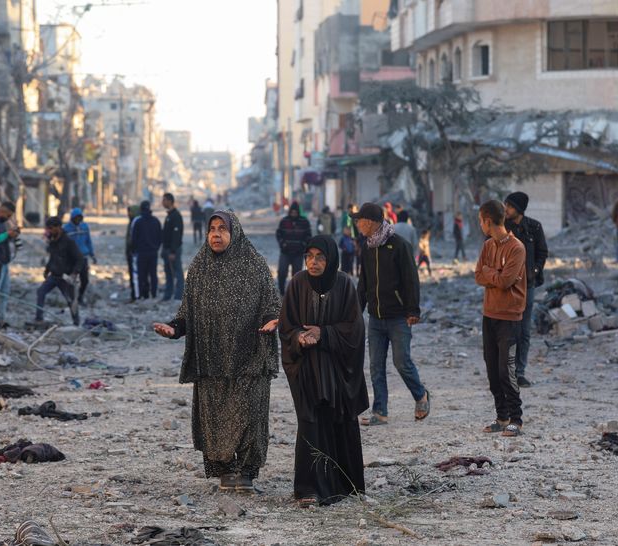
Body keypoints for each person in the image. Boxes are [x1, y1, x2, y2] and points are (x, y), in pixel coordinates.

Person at [153, 211, 280, 492]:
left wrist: (274, 322)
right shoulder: (199, 267)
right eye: (212, 228)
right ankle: (225, 472)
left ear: (235, 233)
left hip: (250, 356)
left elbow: (272, 306)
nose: (216, 234)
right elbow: (187, 313)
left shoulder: (255, 265)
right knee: (215, 418)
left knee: (249, 415)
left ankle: (246, 472)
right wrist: (174, 329)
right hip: (211, 358)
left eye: (223, 228)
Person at [279, 235, 368, 507]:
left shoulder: (344, 284)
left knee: (340, 422)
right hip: (307, 369)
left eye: (320, 257)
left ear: (330, 260)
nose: (313, 262)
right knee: (310, 424)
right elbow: (286, 327)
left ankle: (345, 485)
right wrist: (299, 339)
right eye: (309, 257)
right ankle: (308, 490)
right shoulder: (296, 284)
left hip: (337, 371)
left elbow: (355, 328)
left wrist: (324, 333)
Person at [352, 203, 429, 426]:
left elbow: (411, 280)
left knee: (401, 361)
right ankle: (380, 412)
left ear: (372, 222)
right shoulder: (367, 247)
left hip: (398, 317)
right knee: (376, 366)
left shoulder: (399, 246)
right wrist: (357, 310)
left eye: (360, 220)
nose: (357, 224)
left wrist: (413, 310)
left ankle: (421, 396)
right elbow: (363, 282)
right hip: (375, 318)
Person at [475, 200, 526, 437]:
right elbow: (478, 275)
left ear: (487, 220)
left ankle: (517, 418)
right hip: (489, 314)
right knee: (492, 370)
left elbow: (506, 282)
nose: (480, 224)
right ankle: (502, 417)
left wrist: (490, 274)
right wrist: (493, 275)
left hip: (510, 316)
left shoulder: (517, 248)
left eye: (480, 220)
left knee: (507, 370)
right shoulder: (487, 246)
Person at [504, 192, 548, 388]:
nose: (506, 209)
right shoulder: (502, 228)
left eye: (510, 206)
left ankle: (519, 372)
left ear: (519, 209)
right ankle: (505, 371)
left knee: (523, 331)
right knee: (505, 330)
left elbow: (542, 252)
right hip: (505, 286)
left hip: (527, 286)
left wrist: (535, 270)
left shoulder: (534, 227)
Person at [35, 216, 85, 326]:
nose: (49, 231)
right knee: (40, 292)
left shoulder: (69, 242)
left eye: (51, 228)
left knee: (71, 300)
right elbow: (52, 257)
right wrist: (47, 270)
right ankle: (38, 319)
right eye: (48, 228)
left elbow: (80, 259)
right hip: (54, 275)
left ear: (58, 227)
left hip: (65, 277)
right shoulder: (53, 240)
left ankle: (76, 323)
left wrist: (74, 273)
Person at [276, 202, 312, 295]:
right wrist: (282, 244)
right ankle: (282, 291)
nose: (294, 214)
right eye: (292, 212)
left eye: (295, 212)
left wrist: (303, 245)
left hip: (298, 253)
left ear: (298, 212)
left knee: (297, 275)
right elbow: (279, 234)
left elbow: (308, 236)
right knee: (282, 272)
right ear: (290, 212)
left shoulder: (304, 222)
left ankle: (294, 293)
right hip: (285, 252)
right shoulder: (284, 221)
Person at [63, 208, 96, 306]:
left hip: (83, 257)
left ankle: (80, 296)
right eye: (76, 218)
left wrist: (92, 254)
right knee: (71, 280)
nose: (78, 220)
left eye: (79, 218)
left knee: (85, 280)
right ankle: (71, 300)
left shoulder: (84, 227)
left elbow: (88, 241)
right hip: (71, 259)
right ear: (72, 218)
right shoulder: (66, 229)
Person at [131, 200, 163, 299]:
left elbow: (134, 238)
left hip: (142, 252)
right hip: (153, 252)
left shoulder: (138, 221)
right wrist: (156, 247)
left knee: (142, 275)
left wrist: (134, 250)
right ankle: (153, 294)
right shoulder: (156, 221)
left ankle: (141, 294)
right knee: (153, 274)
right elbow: (160, 237)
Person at [161, 193, 185, 301]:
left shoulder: (176, 216)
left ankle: (179, 295)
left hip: (173, 250)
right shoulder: (169, 215)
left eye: (164, 200)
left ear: (170, 201)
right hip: (167, 249)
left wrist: (172, 251)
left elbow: (176, 235)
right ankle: (168, 294)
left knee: (177, 272)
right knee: (168, 273)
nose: (163, 202)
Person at [125, 205, 141, 301]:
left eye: (130, 211)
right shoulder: (131, 222)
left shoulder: (137, 223)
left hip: (135, 253)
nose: (128, 214)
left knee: (136, 275)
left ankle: (136, 295)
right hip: (130, 252)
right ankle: (133, 294)